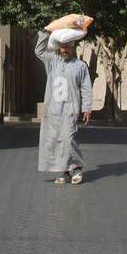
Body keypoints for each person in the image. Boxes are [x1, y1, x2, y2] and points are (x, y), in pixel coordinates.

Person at [36, 13, 93, 184]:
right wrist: (46, 33)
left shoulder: (80, 66)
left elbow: (86, 88)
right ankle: (63, 172)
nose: (64, 50)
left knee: (69, 139)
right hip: (53, 110)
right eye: (62, 47)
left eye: (67, 47)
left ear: (74, 47)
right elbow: (38, 51)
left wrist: (87, 109)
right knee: (55, 140)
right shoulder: (52, 61)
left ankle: (75, 169)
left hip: (70, 109)